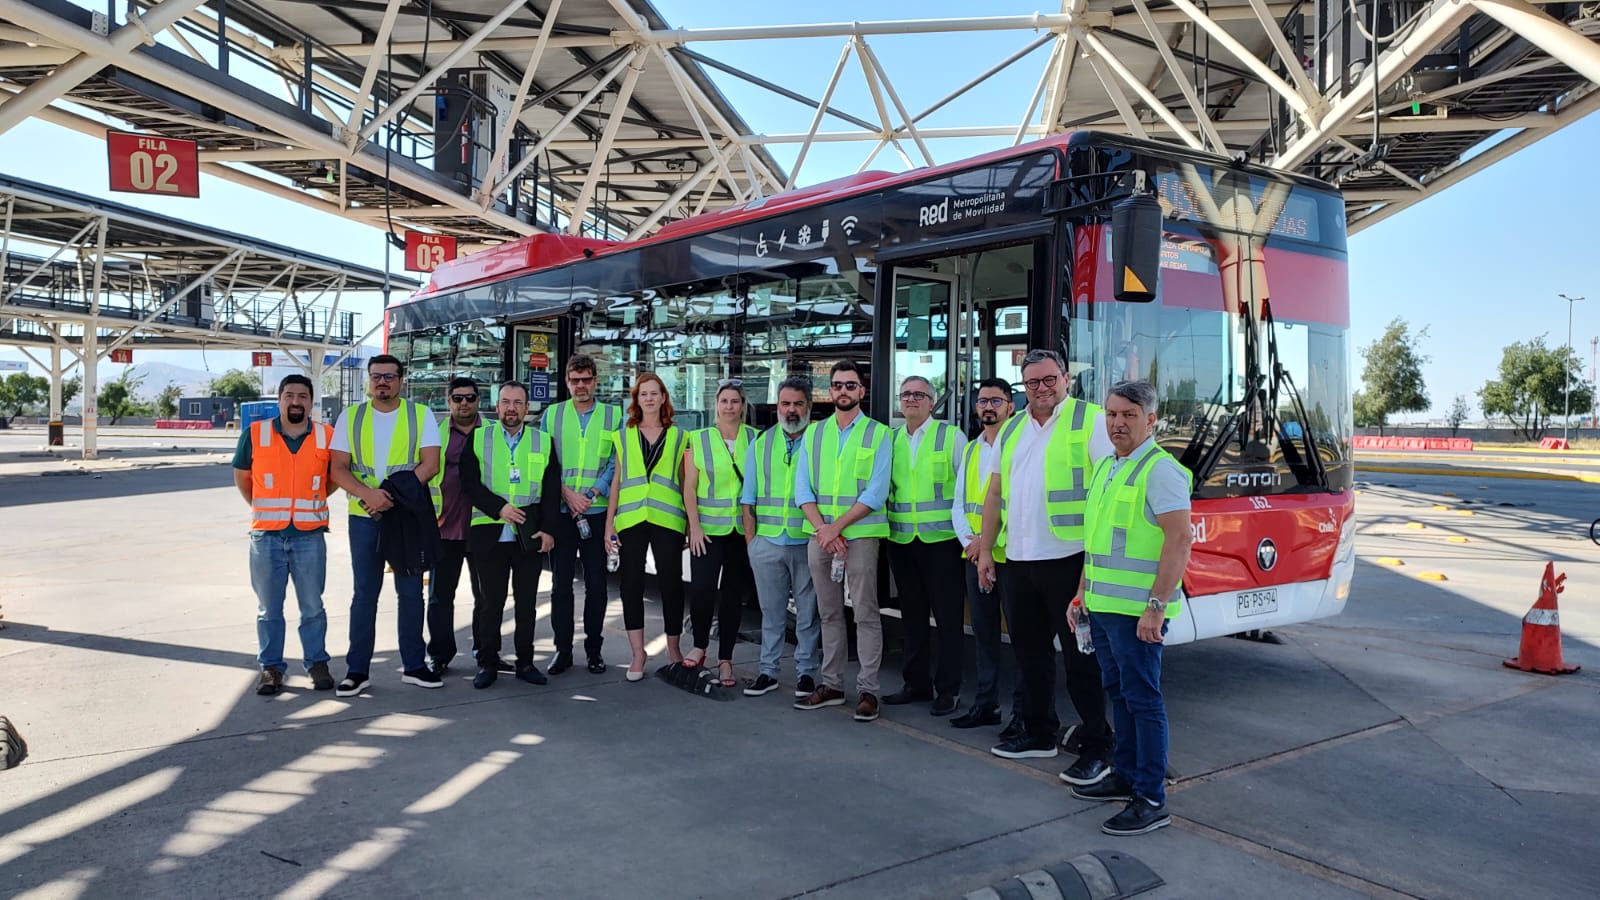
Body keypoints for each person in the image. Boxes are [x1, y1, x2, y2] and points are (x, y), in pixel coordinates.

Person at [976, 349, 1114, 782]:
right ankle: (1039, 733)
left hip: (1069, 560)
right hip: (1018, 559)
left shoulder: (1090, 421)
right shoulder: (1012, 427)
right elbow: (995, 493)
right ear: (1023, 386)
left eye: (1049, 379)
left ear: (1066, 378)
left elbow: (1107, 491)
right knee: (1031, 655)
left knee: (1080, 661)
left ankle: (1099, 746)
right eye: (1032, 382)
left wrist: (1090, 568)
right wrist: (985, 551)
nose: (1041, 388)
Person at [1068, 381, 1192, 837]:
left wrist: (1156, 609)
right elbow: (1097, 541)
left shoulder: (1160, 471)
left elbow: (1179, 542)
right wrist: (1082, 592)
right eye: (1112, 414)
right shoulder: (1108, 467)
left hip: (1138, 613)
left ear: (1151, 421)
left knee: (1143, 700)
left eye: (1129, 415)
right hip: (1102, 607)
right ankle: (1125, 775)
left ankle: (1151, 797)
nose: (1118, 423)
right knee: (1118, 693)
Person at [329, 354, 442, 696]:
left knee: (410, 592)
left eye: (389, 376)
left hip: (406, 516)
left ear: (401, 380)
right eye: (376, 376)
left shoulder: (420, 415)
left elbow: (430, 463)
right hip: (365, 517)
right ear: (368, 380)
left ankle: (414, 665)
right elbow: (338, 468)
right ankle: (357, 670)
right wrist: (369, 495)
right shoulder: (350, 417)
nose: (382, 382)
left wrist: (391, 495)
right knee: (365, 594)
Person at [792, 361, 892, 723]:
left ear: (862, 391)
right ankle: (832, 684)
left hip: (861, 535)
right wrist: (824, 529)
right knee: (828, 613)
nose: (844, 391)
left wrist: (837, 529)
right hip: (820, 536)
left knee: (865, 612)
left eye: (851, 385)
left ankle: (868, 690)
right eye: (837, 385)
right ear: (829, 391)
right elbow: (802, 488)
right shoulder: (814, 434)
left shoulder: (880, 434)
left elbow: (877, 492)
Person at [232, 374, 336, 696]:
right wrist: (263, 508)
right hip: (266, 537)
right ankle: (271, 669)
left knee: (312, 606)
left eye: (302, 396)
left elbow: (335, 477)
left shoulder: (326, 436)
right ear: (279, 400)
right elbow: (242, 477)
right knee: (269, 609)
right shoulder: (255, 434)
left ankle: (316, 664)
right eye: (289, 395)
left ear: (311, 401)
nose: (295, 401)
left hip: (309, 536)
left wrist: (315, 500)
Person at [461, 382, 561, 689]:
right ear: (497, 405)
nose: (511, 408)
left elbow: (550, 489)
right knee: (490, 603)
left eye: (518, 402)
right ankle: (488, 663)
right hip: (489, 531)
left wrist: (548, 529)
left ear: (527, 408)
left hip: (528, 534)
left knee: (526, 603)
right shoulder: (480, 437)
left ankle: (526, 662)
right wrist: (499, 508)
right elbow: (469, 482)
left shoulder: (542, 441)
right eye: (506, 402)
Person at [884, 375, 968, 716]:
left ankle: (948, 690)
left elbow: (966, 492)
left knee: (948, 620)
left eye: (919, 394)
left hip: (943, 543)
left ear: (932, 402)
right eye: (906, 394)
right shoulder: (890, 441)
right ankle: (915, 684)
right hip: (902, 540)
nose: (912, 400)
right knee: (913, 617)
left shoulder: (952, 437)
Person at [604, 373, 688, 682]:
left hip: (668, 518)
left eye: (655, 393)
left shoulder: (680, 436)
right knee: (631, 585)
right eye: (644, 394)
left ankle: (674, 648)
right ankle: (638, 653)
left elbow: (685, 483)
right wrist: (608, 523)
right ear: (636, 400)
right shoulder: (624, 435)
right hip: (631, 518)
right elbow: (617, 481)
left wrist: (692, 523)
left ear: (664, 398)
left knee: (671, 585)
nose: (649, 399)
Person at [741, 377, 822, 698]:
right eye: (785, 404)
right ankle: (768, 671)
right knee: (771, 613)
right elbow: (748, 499)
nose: (791, 410)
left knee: (808, 614)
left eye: (798, 404)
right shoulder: (761, 442)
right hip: (767, 542)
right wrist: (752, 544)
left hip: (807, 541)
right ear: (777, 406)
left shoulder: (820, 440)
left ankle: (806, 673)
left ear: (809, 407)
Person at [542, 353, 621, 675]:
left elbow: (617, 462)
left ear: (595, 381)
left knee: (597, 585)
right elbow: (546, 462)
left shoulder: (613, 416)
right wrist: (568, 494)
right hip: (562, 512)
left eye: (586, 379)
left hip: (597, 511)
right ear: (566, 382)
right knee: (560, 585)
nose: (581, 386)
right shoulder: (552, 415)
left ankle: (594, 650)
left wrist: (591, 494)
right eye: (575, 380)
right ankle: (562, 650)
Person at [949, 377, 1021, 730]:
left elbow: (1020, 504)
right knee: (984, 633)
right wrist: (972, 544)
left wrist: (988, 544)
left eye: (996, 401)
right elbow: (959, 503)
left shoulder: (1020, 444)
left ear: (1010, 405)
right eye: (982, 401)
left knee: (1023, 640)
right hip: (976, 556)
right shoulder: (973, 449)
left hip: (1010, 557)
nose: (988, 407)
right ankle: (986, 704)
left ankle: (1023, 715)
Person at [684, 381, 758, 688]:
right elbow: (689, 486)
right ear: (716, 405)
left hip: (740, 532)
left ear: (742, 405)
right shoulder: (698, 439)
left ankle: (725, 658)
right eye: (724, 401)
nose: (729, 406)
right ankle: (700, 645)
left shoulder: (755, 439)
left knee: (732, 597)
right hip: (708, 531)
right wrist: (695, 526)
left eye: (734, 401)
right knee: (701, 589)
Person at [425, 375, 487, 676]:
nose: (464, 403)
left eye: (470, 398)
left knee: (487, 596)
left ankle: (485, 652)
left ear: (479, 401)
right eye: (458, 398)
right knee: (439, 598)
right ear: (449, 402)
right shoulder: (434, 435)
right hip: (444, 527)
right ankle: (440, 654)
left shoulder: (493, 433)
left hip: (482, 527)